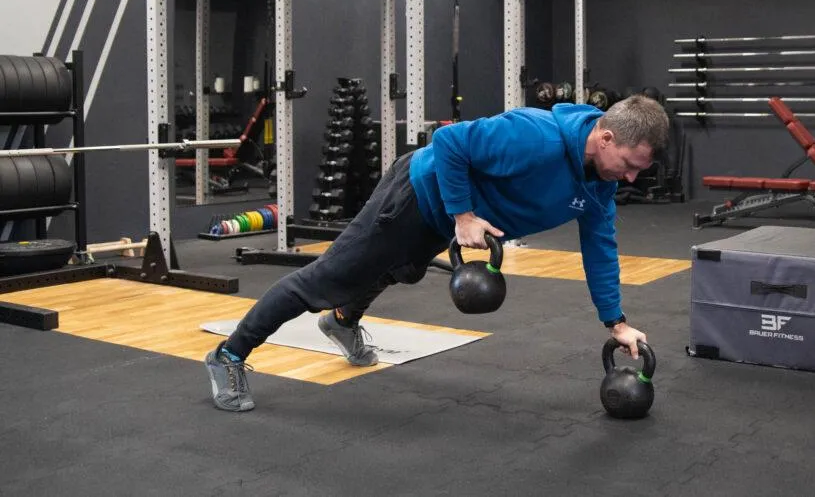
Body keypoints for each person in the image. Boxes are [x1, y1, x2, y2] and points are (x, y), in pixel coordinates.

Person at [205, 94, 670, 412]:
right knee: (326, 278)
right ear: (606, 139)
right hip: (418, 192)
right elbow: (449, 142)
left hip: (444, 216)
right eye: (629, 166)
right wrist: (463, 215)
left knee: (398, 270)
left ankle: (342, 321)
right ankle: (229, 354)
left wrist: (616, 322)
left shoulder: (600, 185)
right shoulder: (537, 136)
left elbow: (600, 249)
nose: (630, 179)